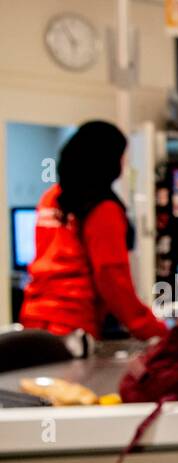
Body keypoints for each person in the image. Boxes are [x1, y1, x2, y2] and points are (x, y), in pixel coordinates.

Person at [19, 120, 167, 343]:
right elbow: (112, 279)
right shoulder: (103, 209)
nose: (124, 164)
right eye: (121, 156)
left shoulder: (50, 198)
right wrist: (156, 332)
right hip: (73, 325)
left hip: (34, 321)